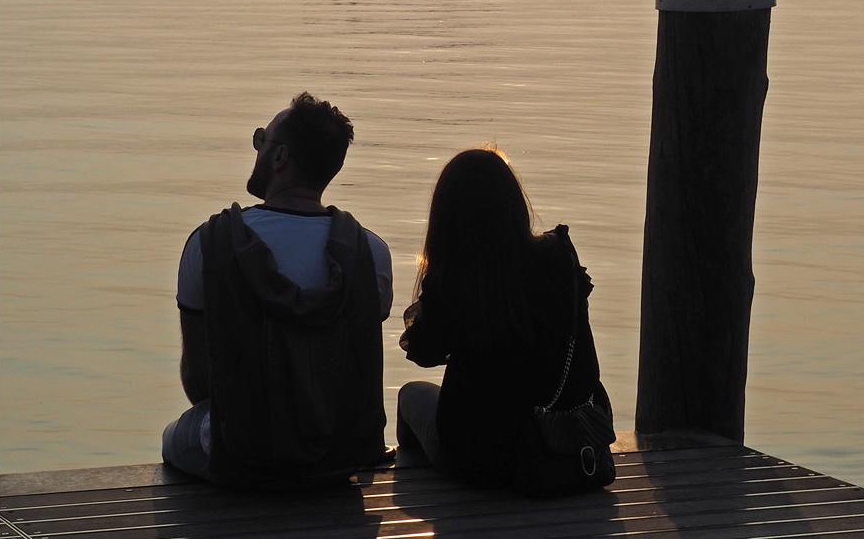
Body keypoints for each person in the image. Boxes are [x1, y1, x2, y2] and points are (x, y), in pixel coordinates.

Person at [163, 93, 393, 488]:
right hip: (340, 456)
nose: (257, 149)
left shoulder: (211, 243)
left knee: (174, 437)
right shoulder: (369, 252)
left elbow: (199, 382)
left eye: (261, 140)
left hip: (244, 456)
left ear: (280, 157)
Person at [398, 148, 611, 491]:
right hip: (573, 443)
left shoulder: (458, 279)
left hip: (486, 459)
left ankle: (419, 488)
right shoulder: (559, 259)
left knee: (410, 396)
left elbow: (423, 351)